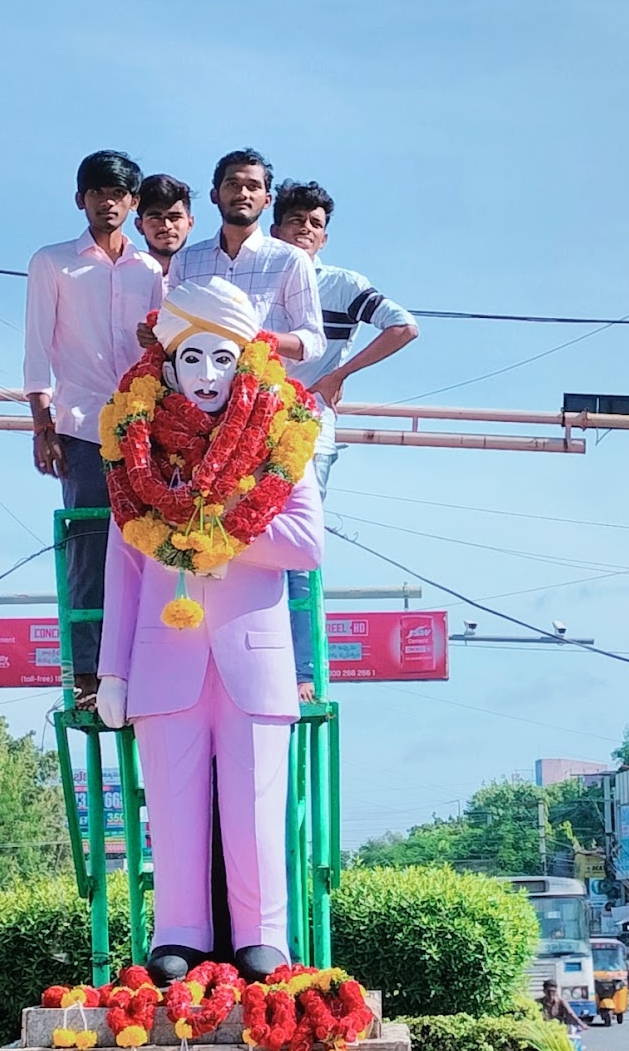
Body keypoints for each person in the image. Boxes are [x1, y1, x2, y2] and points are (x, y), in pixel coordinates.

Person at [96, 276, 324, 984]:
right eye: (190, 359)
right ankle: (180, 931)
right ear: (165, 366)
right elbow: (123, 573)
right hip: (162, 656)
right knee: (172, 802)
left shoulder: (282, 439)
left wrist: (212, 535)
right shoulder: (136, 457)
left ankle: (265, 935)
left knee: (258, 802)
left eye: (221, 360)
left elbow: (304, 544)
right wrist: (111, 670)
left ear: (246, 362)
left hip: (253, 657)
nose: (205, 376)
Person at [24, 149, 164, 704]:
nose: (108, 203)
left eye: (119, 194)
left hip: (144, 424)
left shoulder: (151, 270)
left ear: (133, 203)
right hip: (81, 421)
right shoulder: (53, 262)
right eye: (97, 193)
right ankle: (86, 675)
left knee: (149, 541)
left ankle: (139, 665)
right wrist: (42, 423)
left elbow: (162, 351)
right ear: (80, 199)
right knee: (88, 541)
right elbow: (37, 346)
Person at [271, 179, 419, 689]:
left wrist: (340, 374)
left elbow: (403, 326)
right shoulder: (255, 277)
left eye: (316, 224)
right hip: (241, 424)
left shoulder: (340, 283)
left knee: (297, 540)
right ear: (276, 228)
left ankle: (301, 670)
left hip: (309, 427)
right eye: (297, 221)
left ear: (324, 237)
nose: (306, 231)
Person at [165, 150, 324, 365]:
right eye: (232, 184)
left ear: (267, 200)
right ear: (215, 195)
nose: (242, 194)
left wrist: (255, 337)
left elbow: (313, 339)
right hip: (195, 392)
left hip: (264, 392)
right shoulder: (185, 260)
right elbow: (171, 328)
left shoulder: (290, 260)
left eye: (253, 186)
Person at [135, 174, 195, 277]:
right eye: (156, 218)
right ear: (139, 226)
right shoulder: (127, 276)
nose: (167, 226)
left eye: (174, 217)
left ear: (190, 223)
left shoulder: (206, 275)